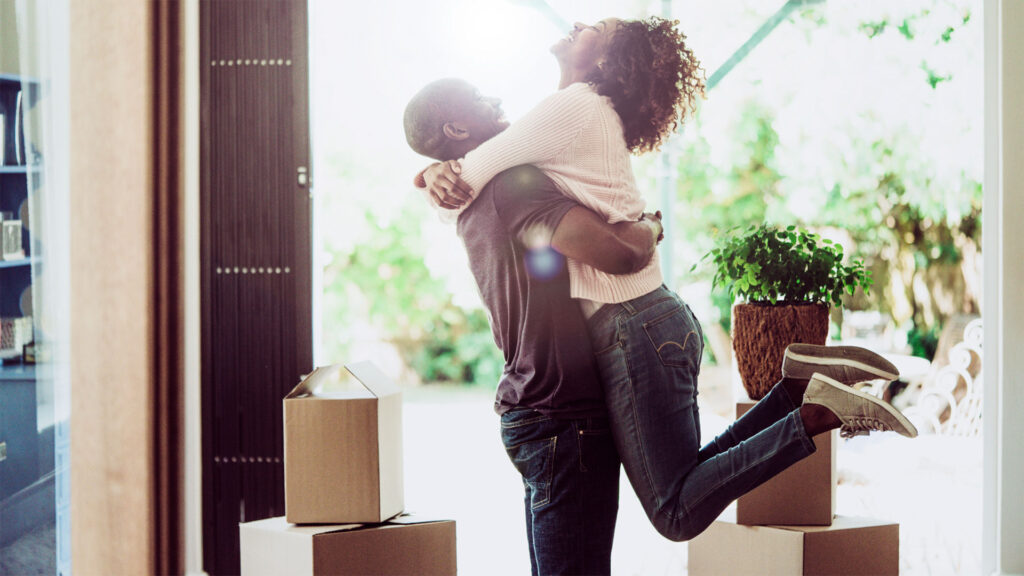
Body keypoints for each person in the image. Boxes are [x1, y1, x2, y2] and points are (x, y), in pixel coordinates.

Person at [412, 15, 918, 544]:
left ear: (603, 61)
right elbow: (474, 181)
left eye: (594, 28)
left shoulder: (571, 106)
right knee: (685, 481)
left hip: (631, 323)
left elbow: (467, 182)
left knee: (675, 511)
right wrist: (429, 173)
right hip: (645, 319)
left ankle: (816, 412)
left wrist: (433, 176)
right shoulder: (566, 115)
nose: (580, 22)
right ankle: (796, 388)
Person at [405, 76, 665, 575]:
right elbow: (619, 254)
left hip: (536, 407)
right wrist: (652, 224)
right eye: (482, 95)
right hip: (562, 412)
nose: (497, 95)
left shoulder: (470, 193)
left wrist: (429, 174)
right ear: (456, 126)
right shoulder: (512, 187)